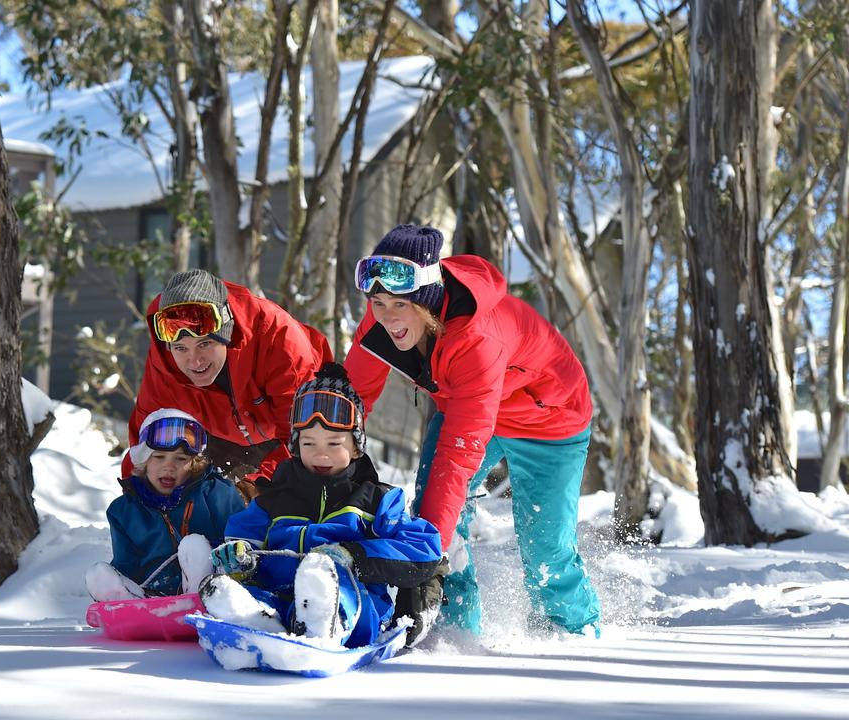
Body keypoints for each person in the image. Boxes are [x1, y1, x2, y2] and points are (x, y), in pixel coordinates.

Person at [343, 223, 602, 636]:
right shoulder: (386, 325)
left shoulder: (477, 339)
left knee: (545, 547)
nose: (387, 317)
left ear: (426, 300)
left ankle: (573, 632)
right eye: (377, 302)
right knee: (433, 511)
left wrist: (424, 559)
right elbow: (349, 401)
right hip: (469, 406)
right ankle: (455, 627)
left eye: (399, 305)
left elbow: (457, 457)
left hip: (549, 419)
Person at [199, 363, 444, 647]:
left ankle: (323, 623)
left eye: (333, 443)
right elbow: (242, 540)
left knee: (329, 581)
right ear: (295, 445)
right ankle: (253, 620)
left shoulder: (376, 501)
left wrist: (354, 554)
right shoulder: (272, 501)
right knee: (243, 591)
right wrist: (239, 560)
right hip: (280, 597)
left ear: (355, 446)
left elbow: (425, 548)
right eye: (310, 444)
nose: (321, 454)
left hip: (353, 604)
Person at [124, 269, 333, 499]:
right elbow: (144, 446)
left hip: (300, 428)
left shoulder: (278, 338)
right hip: (219, 434)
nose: (195, 361)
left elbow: (306, 438)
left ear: (226, 332)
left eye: (204, 344)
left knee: (293, 500)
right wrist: (139, 501)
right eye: (182, 348)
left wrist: (255, 488)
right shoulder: (164, 364)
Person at [86, 410, 245, 601]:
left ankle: (196, 599)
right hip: (152, 594)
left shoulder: (216, 493)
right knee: (97, 575)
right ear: (143, 461)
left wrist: (235, 557)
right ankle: (130, 607)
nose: (169, 467)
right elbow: (126, 563)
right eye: (159, 457)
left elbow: (239, 541)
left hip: (211, 587)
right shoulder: (123, 511)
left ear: (194, 464)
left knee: (193, 545)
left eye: (181, 459)